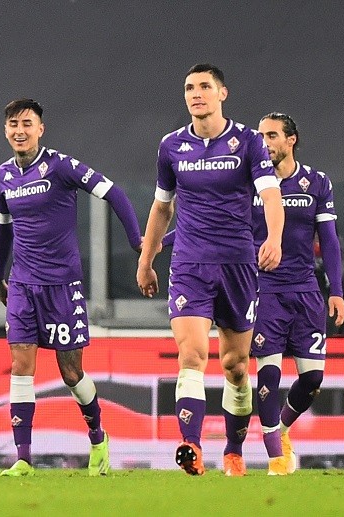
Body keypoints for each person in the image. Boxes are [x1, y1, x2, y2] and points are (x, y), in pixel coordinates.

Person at [136, 64, 285, 476]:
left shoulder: (248, 142)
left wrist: (274, 239)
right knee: (191, 354)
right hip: (190, 264)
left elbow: (271, 197)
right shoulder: (171, 146)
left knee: (235, 365)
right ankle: (192, 446)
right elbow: (162, 208)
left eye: (205, 86)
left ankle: (234, 450)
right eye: (189, 87)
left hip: (238, 264)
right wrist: (146, 260)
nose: (196, 93)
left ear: (222, 93)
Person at [0, 98, 143, 477]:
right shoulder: (3, 175)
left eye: (27, 124)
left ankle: (98, 437)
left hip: (62, 286)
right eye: (14, 124)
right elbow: (2, 228)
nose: (20, 131)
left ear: (40, 129)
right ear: (6, 130)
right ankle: (23, 458)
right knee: (20, 367)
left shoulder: (60, 166)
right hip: (23, 285)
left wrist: (136, 240)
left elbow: (113, 192)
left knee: (71, 373)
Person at [252, 112, 344, 474]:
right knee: (268, 374)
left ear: (291, 140)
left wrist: (336, 290)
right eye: (261, 135)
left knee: (312, 379)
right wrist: (161, 242)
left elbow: (329, 240)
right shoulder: (250, 183)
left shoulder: (317, 183)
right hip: (264, 290)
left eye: (272, 135)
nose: (264, 142)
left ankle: (282, 428)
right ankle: (276, 456)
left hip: (306, 291)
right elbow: (212, 225)